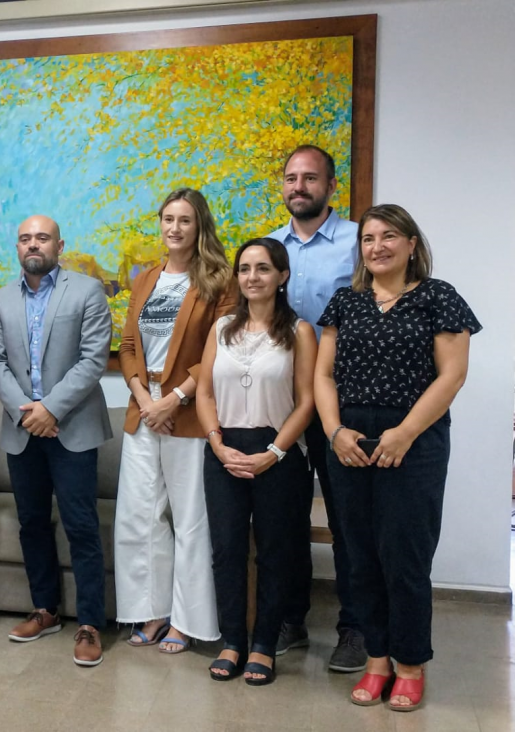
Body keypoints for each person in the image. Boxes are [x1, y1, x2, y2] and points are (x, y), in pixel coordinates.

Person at [315, 204, 479, 711]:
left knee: (404, 557)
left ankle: (410, 664)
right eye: (368, 238)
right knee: (359, 555)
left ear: (411, 244)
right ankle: (377, 660)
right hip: (349, 441)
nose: (377, 245)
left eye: (389, 236)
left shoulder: (438, 298)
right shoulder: (345, 302)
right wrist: (335, 431)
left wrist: (404, 432)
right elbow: (323, 376)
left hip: (416, 438)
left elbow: (451, 375)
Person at [0, 215, 112, 667]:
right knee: (32, 524)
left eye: (42, 237)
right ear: (16, 247)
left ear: (60, 244)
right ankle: (46, 610)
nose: (33, 244)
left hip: (72, 426)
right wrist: (28, 412)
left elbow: (93, 358)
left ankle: (90, 623)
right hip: (22, 429)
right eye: (25, 238)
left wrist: (51, 409)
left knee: (81, 526)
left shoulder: (86, 290)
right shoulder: (0, 299)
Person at [113, 187, 234, 654]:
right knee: (140, 517)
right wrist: (146, 398)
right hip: (145, 409)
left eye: (185, 220)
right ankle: (153, 612)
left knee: (190, 520)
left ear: (199, 225)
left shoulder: (219, 280)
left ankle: (187, 622)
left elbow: (221, 348)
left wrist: (176, 397)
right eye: (168, 219)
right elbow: (127, 348)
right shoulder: (146, 279)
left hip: (190, 411)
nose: (175, 228)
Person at [196, 238, 318, 685]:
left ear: (282, 277)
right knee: (227, 550)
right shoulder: (222, 328)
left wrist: (275, 453)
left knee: (275, 551)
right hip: (224, 449)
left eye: (263, 268)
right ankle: (232, 641)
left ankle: (264, 644)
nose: (252, 277)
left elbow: (307, 402)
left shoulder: (300, 332)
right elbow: (205, 391)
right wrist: (216, 442)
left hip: (279, 452)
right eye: (245, 269)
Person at [267, 144, 364, 670]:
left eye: (309, 178)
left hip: (340, 402)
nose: (298, 186)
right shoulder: (269, 249)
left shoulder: (356, 243)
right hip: (280, 403)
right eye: (290, 178)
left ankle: (354, 628)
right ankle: (289, 620)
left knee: (348, 520)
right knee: (283, 519)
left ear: (331, 186)